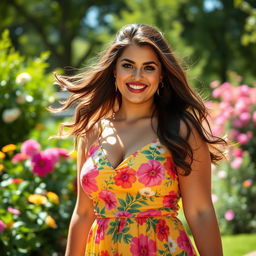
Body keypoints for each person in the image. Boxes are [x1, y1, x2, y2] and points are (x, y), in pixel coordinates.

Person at [52, 24, 226, 256]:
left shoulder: (181, 129)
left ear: (161, 74)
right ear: (114, 70)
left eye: (149, 67)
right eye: (128, 66)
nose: (137, 76)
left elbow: (200, 211)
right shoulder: (92, 131)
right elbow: (83, 213)